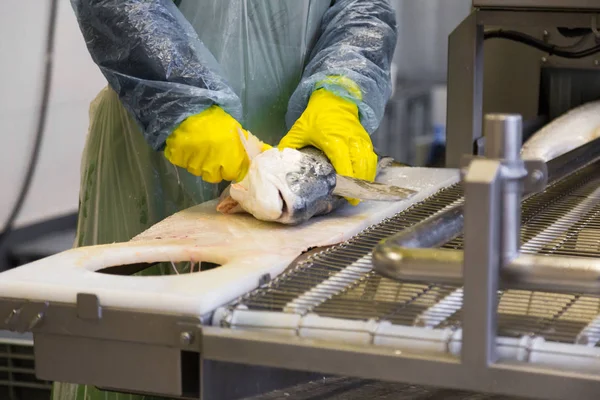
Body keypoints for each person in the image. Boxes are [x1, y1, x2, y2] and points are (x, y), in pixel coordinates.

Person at [53, 0, 397, 399]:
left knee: (285, 366)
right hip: (158, 153)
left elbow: (362, 7)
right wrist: (185, 109)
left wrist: (340, 91)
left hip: (304, 139)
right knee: (148, 357)